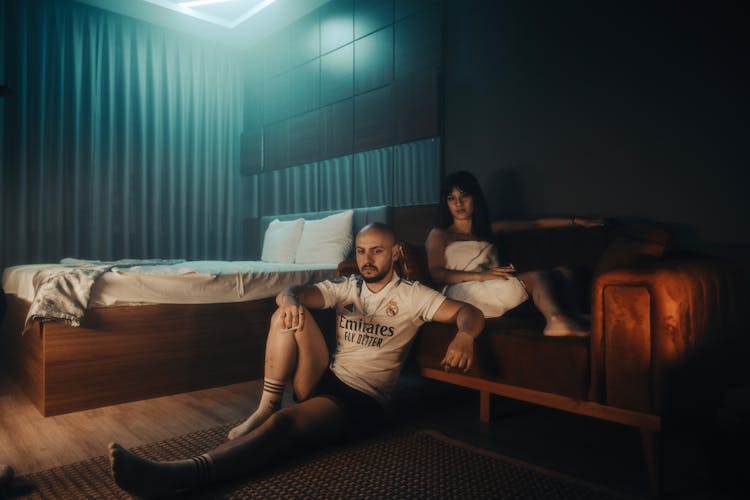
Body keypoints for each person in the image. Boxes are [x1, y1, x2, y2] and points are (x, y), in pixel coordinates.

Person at [108, 222, 484, 498]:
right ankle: (266, 405)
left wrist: (465, 334)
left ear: (396, 252)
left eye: (377, 251)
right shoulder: (346, 286)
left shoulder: (414, 296)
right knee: (285, 313)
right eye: (361, 250)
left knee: (285, 427)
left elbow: (468, 312)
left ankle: (178, 474)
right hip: (323, 377)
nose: (367, 260)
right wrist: (288, 300)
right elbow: (293, 291)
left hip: (362, 400)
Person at [426, 170, 602, 336]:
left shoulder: (490, 230)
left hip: (491, 285)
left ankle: (574, 316)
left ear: (475, 198)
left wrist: (576, 221)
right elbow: (437, 273)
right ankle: (556, 321)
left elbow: (535, 224)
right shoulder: (440, 234)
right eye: (451, 198)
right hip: (462, 293)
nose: (458, 204)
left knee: (564, 272)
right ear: (446, 203)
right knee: (535, 277)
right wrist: (481, 276)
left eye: (464, 196)